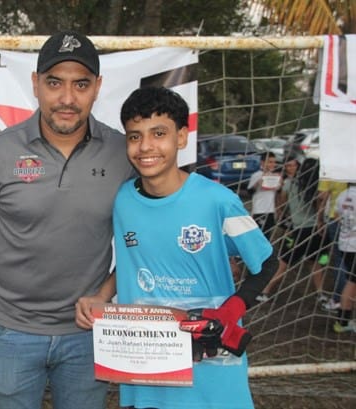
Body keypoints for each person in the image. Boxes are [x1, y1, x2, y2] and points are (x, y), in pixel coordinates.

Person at [0, 31, 135, 409]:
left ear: (97, 87)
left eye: (80, 84)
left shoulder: (124, 154)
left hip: (87, 333)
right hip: (10, 332)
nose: (67, 98)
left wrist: (105, 294)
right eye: (55, 83)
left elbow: (147, 237)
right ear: (35, 84)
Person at [110, 86, 273, 409]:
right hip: (147, 369)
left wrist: (231, 311)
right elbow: (129, 264)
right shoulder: (122, 200)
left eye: (159, 133)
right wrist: (97, 298)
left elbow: (268, 263)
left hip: (211, 372)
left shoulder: (218, 200)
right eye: (134, 136)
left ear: (182, 137)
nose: (145, 147)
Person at [256, 157, 322, 302]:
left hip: (297, 230)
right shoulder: (317, 187)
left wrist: (284, 215)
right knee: (316, 262)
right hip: (315, 231)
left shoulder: (289, 184)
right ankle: (320, 294)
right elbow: (320, 208)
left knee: (283, 262)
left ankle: (265, 291)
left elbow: (282, 203)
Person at [314, 179, 348, 311]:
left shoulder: (331, 172)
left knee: (338, 259)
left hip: (336, 220)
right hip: (346, 221)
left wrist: (319, 219)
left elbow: (322, 197)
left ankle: (338, 298)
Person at [333, 183, 356, 332]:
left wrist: (348, 227)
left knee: (351, 281)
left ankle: (344, 320)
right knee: (352, 282)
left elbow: (336, 215)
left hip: (345, 244)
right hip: (354, 245)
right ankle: (342, 321)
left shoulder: (343, 194)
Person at [247, 151, 282, 240]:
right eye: (270, 162)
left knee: (268, 235)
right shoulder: (257, 175)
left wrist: (280, 184)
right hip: (259, 210)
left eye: (274, 162)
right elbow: (249, 192)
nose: (272, 164)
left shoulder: (275, 176)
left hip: (271, 210)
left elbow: (277, 192)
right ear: (262, 162)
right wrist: (257, 184)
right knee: (260, 236)